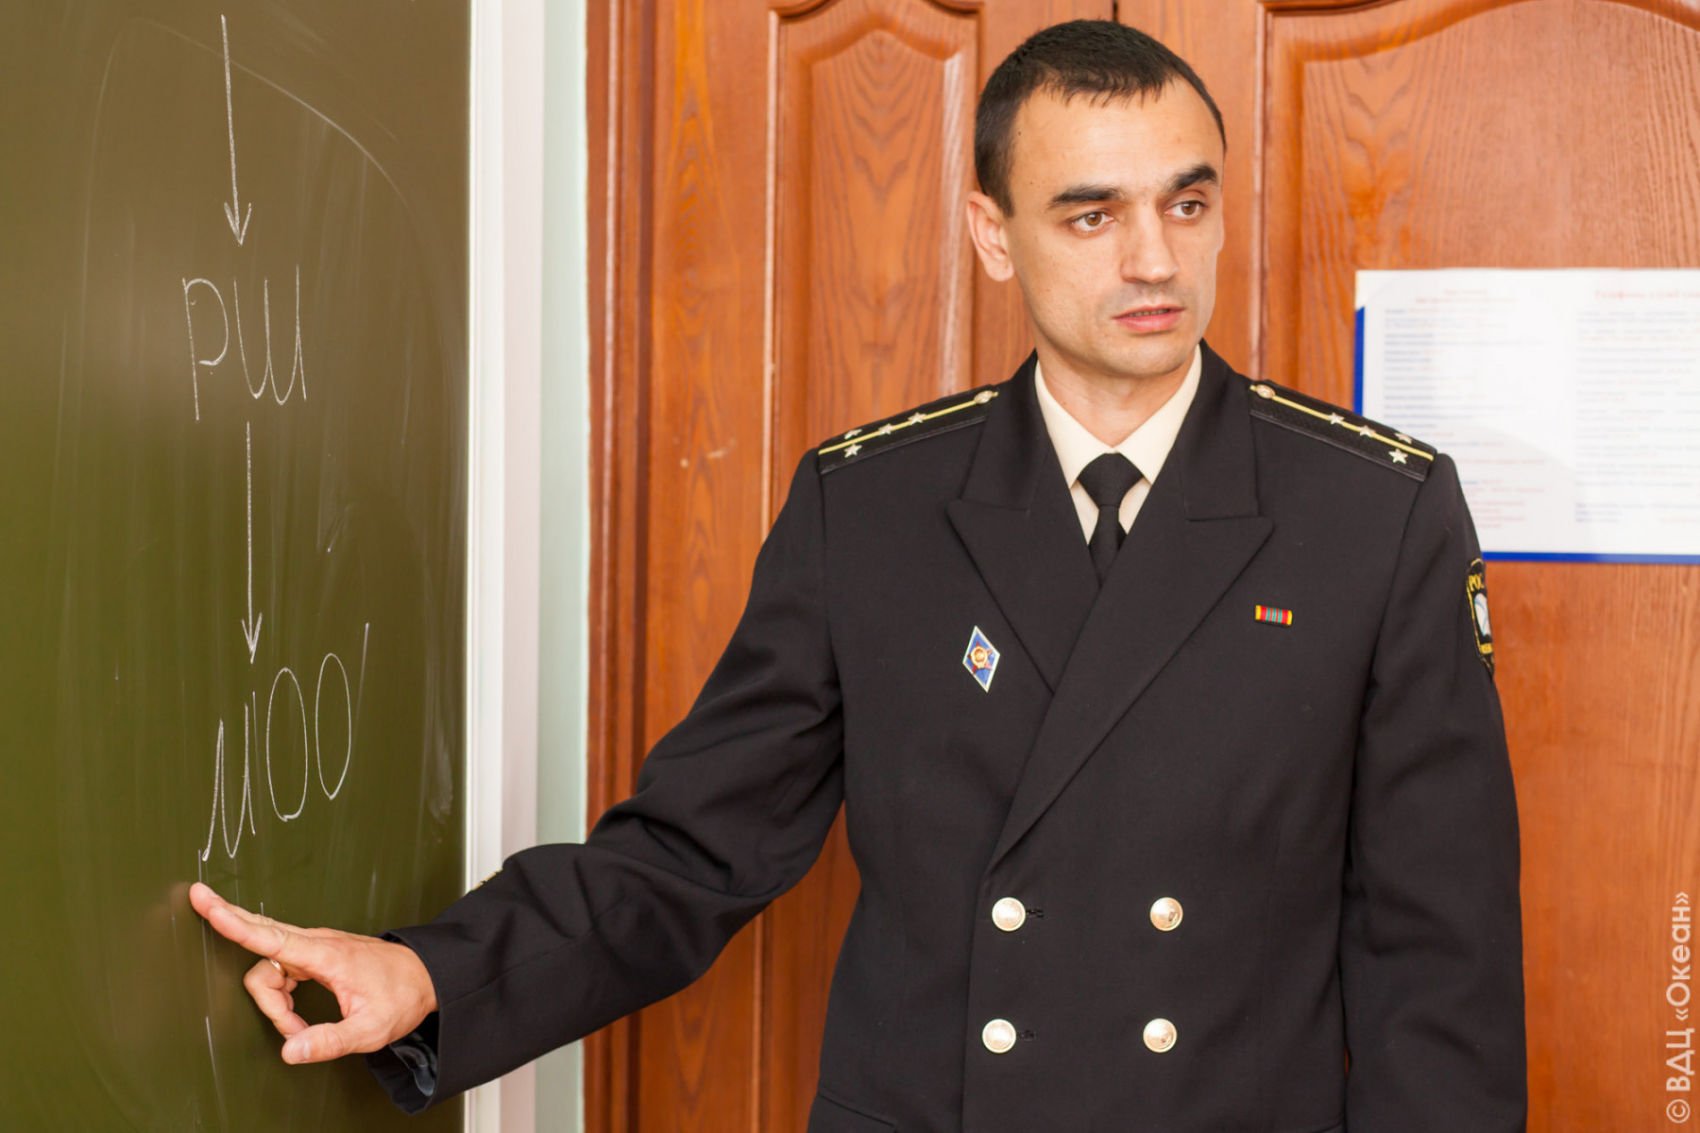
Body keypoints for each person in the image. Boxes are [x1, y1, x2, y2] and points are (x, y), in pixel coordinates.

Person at [192, 19, 1526, 1131]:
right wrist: (432, 974)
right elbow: (695, 849)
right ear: (992, 234)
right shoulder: (872, 504)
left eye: (1188, 203)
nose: (1155, 260)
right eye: (1091, 214)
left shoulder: (1374, 512)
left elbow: (1442, 960)